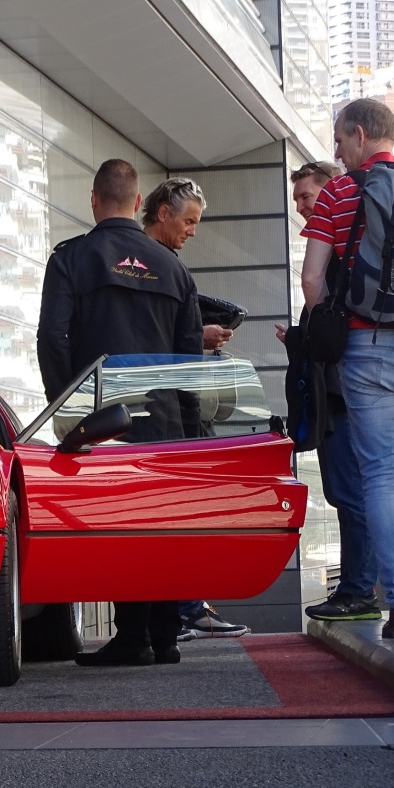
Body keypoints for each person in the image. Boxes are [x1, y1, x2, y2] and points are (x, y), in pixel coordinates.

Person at [37, 159, 202, 666]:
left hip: (104, 419)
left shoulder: (70, 260)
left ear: (93, 200)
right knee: (163, 524)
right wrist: (191, 431)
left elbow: (52, 339)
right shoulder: (173, 267)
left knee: (121, 524)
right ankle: (166, 637)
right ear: (137, 204)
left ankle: (132, 636)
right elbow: (190, 356)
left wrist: (68, 408)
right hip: (166, 420)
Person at [300, 99, 394, 639]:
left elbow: (311, 281)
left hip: (363, 346)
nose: (336, 151)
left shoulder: (340, 191)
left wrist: (327, 315)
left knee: (379, 476)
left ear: (358, 133)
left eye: (338, 140)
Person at [140, 178, 252, 641]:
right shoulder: (154, 266)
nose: (193, 231)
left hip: (155, 406)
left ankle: (180, 611)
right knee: (169, 515)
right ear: (162, 212)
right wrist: (195, 337)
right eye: (188, 221)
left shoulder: (161, 264)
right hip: (157, 410)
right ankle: (178, 613)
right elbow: (151, 340)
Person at [280, 162, 381, 623]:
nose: (302, 206)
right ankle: (363, 585)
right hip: (341, 390)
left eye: (308, 195)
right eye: (298, 198)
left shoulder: (334, 257)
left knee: (350, 491)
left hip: (341, 393)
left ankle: (360, 589)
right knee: (357, 491)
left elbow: (333, 327)